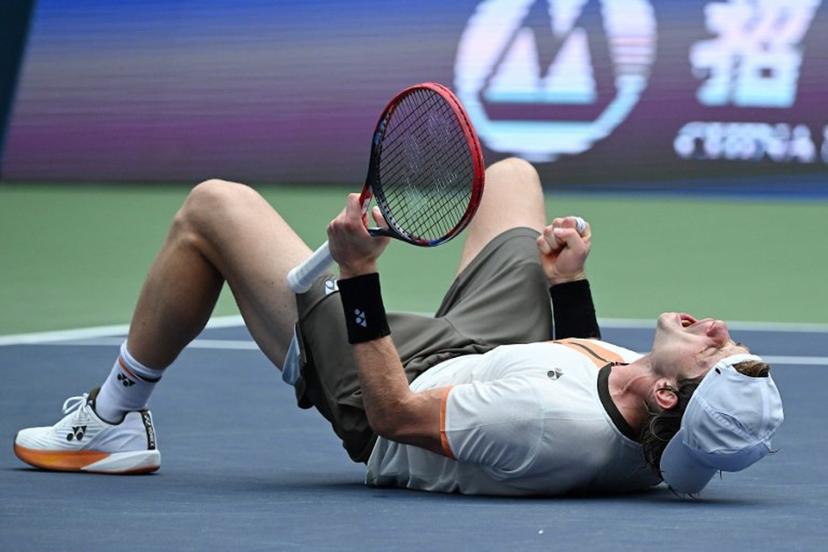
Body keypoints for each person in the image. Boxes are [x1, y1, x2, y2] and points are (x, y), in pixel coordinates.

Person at [13, 158, 783, 496]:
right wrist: (567, 285)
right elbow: (588, 373)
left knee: (214, 207)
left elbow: (390, 415)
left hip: (399, 385)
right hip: (505, 355)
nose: (716, 326)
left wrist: (358, 276)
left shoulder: (546, 422)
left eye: (715, 347)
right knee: (511, 179)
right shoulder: (665, 430)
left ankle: (110, 420)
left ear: (670, 396)